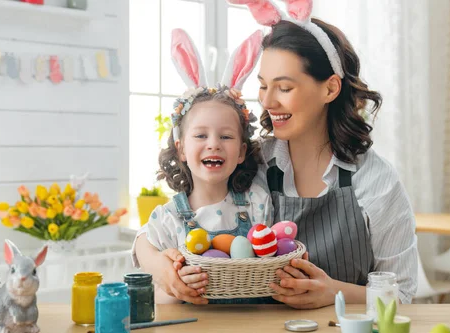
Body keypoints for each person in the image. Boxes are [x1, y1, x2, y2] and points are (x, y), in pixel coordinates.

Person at [160, 0, 418, 309]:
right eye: (263, 86)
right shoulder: (251, 162)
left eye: (283, 88)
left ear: (330, 89)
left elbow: (401, 294)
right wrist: (164, 271)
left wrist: (333, 292)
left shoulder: (375, 180)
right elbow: (168, 223)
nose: (268, 101)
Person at [131, 29, 274, 304]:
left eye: (226, 136)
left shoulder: (258, 203)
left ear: (242, 152)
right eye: (200, 135)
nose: (213, 144)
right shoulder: (167, 218)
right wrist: (174, 286)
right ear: (181, 149)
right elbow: (155, 293)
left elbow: (270, 262)